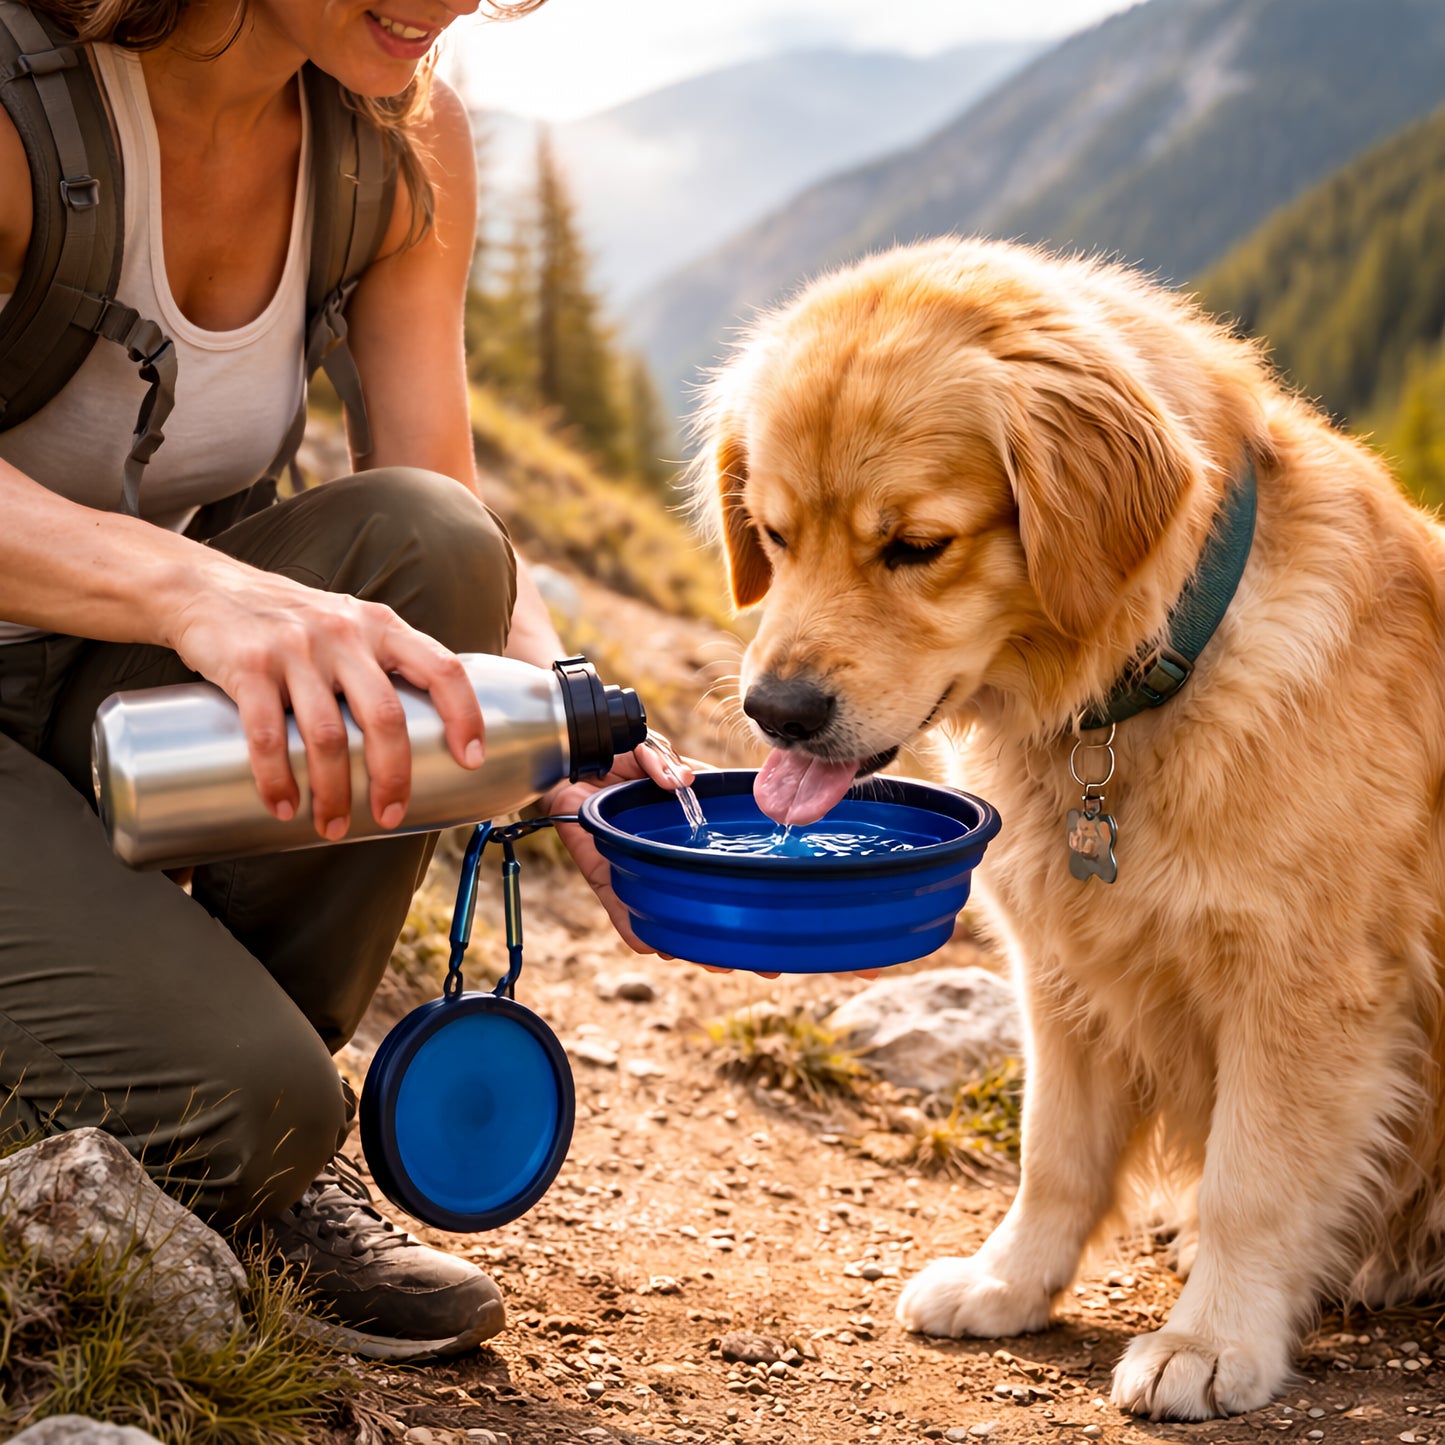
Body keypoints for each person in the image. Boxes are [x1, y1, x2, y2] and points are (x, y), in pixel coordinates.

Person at [0, 0, 685, 1361]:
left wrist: (560, 711)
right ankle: (229, 1115)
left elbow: (453, 510)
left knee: (427, 542)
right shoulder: (24, 102)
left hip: (106, 701)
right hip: (101, 669)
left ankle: (233, 1119)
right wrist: (196, 587)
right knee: (249, 1105)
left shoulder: (395, 127)